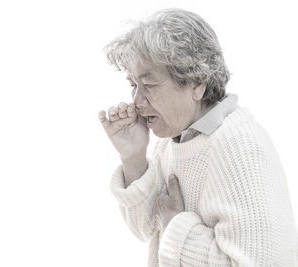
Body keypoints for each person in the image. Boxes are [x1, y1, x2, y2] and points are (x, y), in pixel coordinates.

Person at [98, 8, 298, 267]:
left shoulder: (238, 144)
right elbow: (145, 229)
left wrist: (175, 227)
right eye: (133, 84)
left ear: (197, 83)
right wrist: (133, 157)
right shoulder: (173, 139)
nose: (136, 101)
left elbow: (268, 262)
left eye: (149, 85)